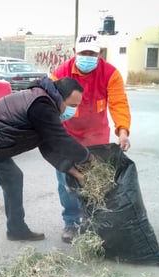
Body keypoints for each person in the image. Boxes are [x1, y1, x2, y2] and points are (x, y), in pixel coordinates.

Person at [0, 77, 92, 277]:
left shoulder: (44, 105)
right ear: (59, 98)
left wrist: (77, 173)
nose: (73, 111)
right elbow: (61, 140)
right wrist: (88, 158)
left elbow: (49, 149)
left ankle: (16, 229)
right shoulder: (42, 105)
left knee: (14, 178)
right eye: (72, 105)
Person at [50, 34, 131, 244]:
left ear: (99, 54)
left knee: (98, 182)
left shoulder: (110, 74)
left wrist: (122, 130)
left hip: (97, 139)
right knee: (67, 183)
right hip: (67, 137)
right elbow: (49, 104)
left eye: (92, 53)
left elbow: (118, 103)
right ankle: (71, 222)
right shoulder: (60, 73)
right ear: (74, 53)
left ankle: (96, 221)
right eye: (83, 53)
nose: (88, 57)